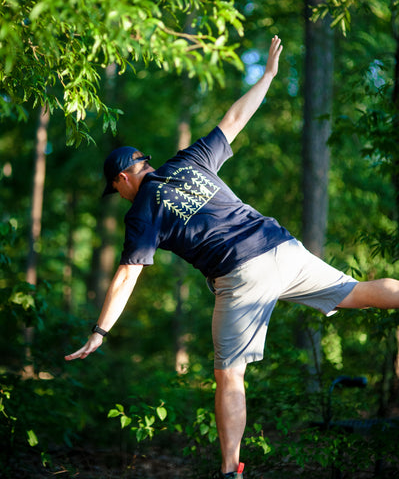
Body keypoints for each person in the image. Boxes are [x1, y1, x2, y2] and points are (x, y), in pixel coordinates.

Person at [65, 36, 399, 479]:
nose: (120, 195)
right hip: (281, 245)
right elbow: (236, 117)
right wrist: (268, 76)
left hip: (241, 274)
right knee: (355, 292)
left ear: (125, 176)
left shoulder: (142, 208)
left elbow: (127, 275)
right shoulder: (189, 161)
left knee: (230, 374)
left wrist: (101, 331)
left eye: (117, 188)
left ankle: (229, 473)